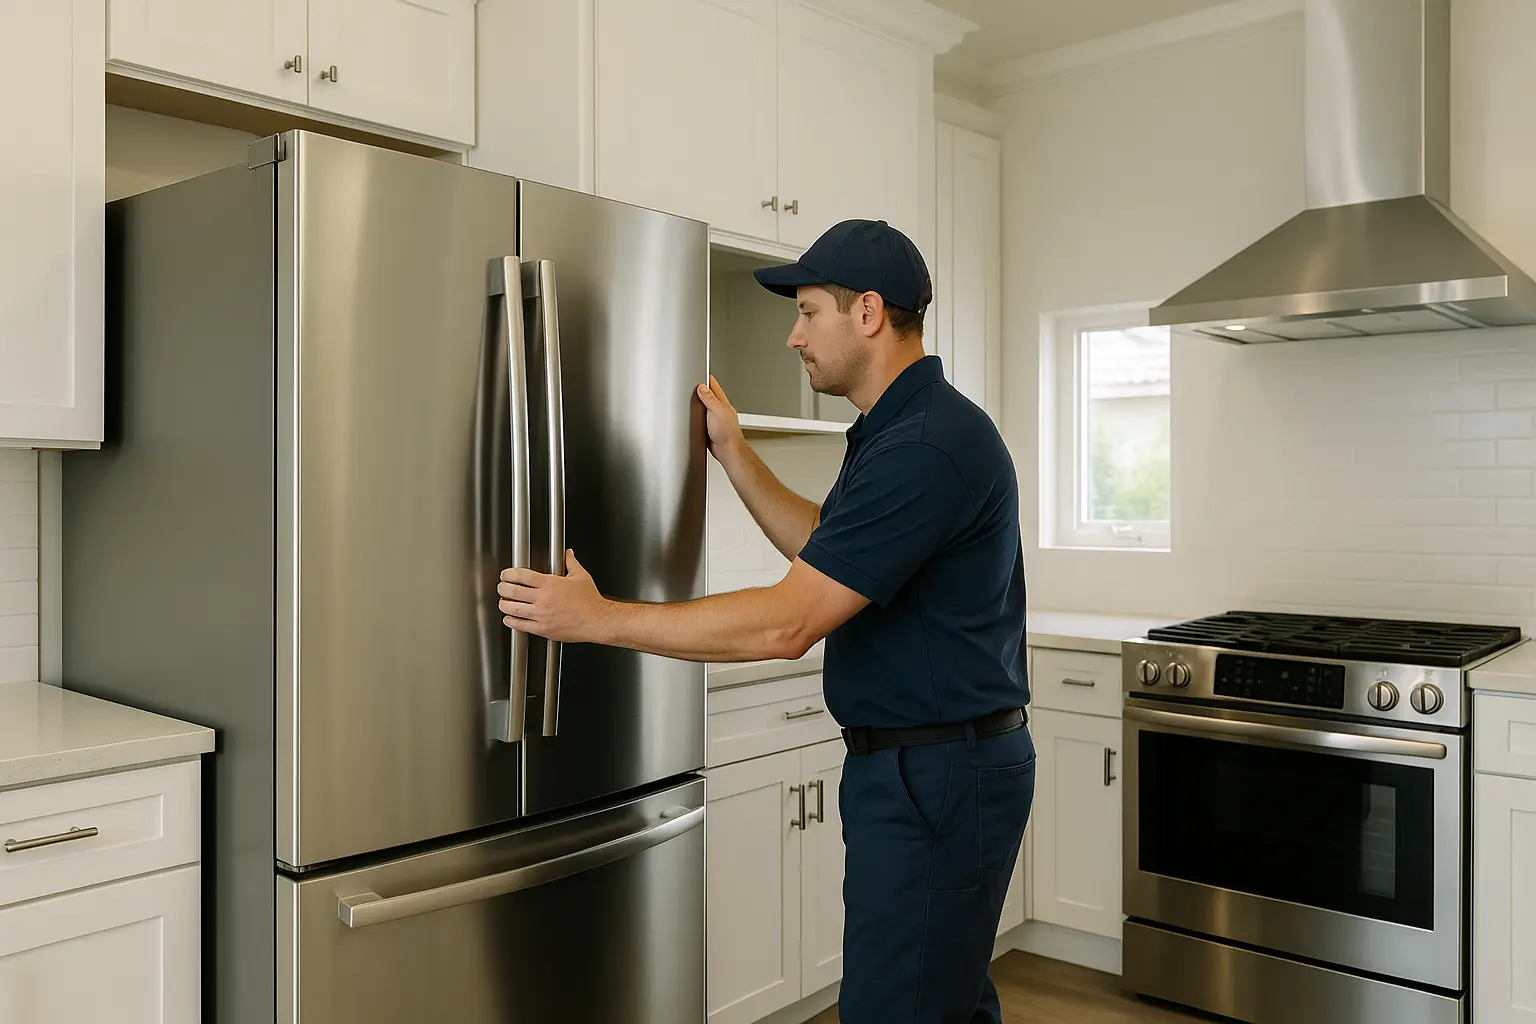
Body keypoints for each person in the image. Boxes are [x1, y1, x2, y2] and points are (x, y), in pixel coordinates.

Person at [498, 218, 1034, 1024]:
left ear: (868, 314)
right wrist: (734, 451)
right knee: (942, 998)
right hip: (930, 766)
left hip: (938, 774)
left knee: (902, 1009)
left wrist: (599, 618)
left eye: (808, 311)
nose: (793, 336)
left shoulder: (927, 444)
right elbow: (828, 548)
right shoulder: (899, 429)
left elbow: (788, 624)